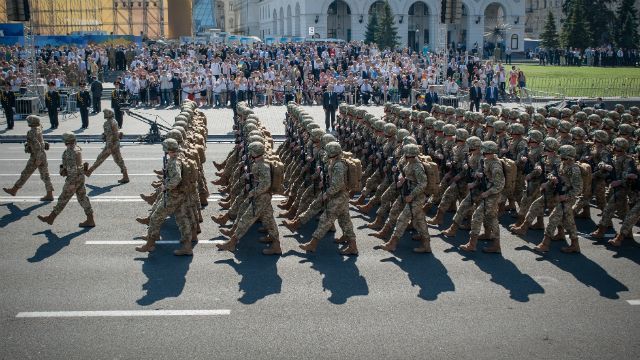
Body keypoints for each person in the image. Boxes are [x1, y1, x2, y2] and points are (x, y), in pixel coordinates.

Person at [217, 141, 282, 255]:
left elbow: (265, 184)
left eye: (251, 151)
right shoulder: (259, 163)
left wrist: (253, 192)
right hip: (262, 196)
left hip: (261, 197)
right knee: (268, 219)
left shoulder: (262, 165)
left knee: (246, 219)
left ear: (254, 152)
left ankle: (232, 243)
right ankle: (276, 244)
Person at [298, 142, 358, 255]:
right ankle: (352, 246)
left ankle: (313, 244)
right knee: (345, 220)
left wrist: (328, 193)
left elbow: (338, 184)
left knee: (325, 219)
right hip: (341, 196)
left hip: (338, 196)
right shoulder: (335, 161)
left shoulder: (339, 165)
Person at [136, 138, 193, 256]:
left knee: (155, 217)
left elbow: (177, 179)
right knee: (182, 220)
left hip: (173, 196)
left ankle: (149, 244)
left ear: (168, 149)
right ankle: (187, 247)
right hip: (180, 194)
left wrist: (165, 186)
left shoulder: (173, 162)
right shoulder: (179, 158)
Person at [37, 132, 95, 227]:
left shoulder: (70, 152)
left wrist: (71, 183)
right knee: (82, 198)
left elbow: (72, 168)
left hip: (73, 179)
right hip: (80, 177)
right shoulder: (77, 148)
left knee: (63, 199)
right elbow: (79, 164)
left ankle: (50, 218)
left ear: (66, 141)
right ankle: (90, 220)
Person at [534, 145, 583, 253]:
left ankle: (545, 244)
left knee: (553, 218)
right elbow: (554, 173)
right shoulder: (563, 164)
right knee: (568, 221)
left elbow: (578, 188)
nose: (562, 159)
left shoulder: (574, 169)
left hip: (567, 198)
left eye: (564, 158)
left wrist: (566, 196)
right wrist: (552, 178)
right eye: (562, 157)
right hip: (560, 195)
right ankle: (575, 244)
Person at [459, 141, 505, 253]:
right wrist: (475, 182)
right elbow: (483, 177)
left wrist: (488, 193)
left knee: (477, 216)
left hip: (492, 195)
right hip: (486, 192)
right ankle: (495, 244)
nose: (482, 152)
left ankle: (472, 244)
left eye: (484, 150)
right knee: (492, 218)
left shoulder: (495, 165)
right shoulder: (486, 161)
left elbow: (500, 185)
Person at [3, 115, 54, 201]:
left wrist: (37, 159)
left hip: (36, 156)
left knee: (26, 173)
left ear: (32, 122)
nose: (27, 122)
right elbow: (40, 141)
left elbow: (37, 146)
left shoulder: (31, 132)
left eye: (29, 121)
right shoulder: (39, 128)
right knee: (45, 175)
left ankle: (14, 190)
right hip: (42, 155)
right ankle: (50, 194)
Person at [85, 109, 129, 183]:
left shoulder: (107, 123)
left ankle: (89, 172)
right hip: (116, 143)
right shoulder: (114, 121)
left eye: (105, 113)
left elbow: (110, 135)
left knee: (100, 158)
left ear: (109, 114)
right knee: (118, 160)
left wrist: (108, 147)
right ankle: (125, 176)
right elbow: (114, 132)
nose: (104, 114)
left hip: (111, 144)